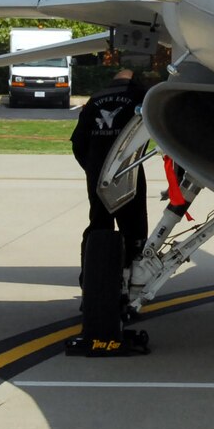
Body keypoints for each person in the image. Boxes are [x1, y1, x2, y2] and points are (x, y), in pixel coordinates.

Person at [71, 47, 150, 269]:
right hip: (128, 170)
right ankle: (131, 273)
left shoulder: (95, 99)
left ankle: (92, 276)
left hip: (98, 171)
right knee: (133, 227)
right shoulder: (140, 98)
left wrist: (92, 168)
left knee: (98, 225)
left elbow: (78, 142)